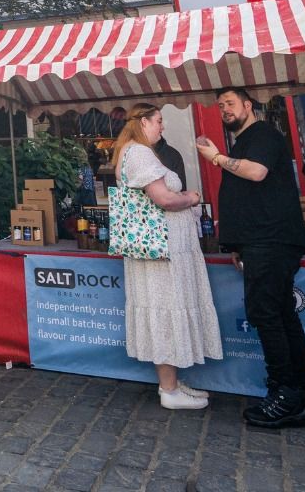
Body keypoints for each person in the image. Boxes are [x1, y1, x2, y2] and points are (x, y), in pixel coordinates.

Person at [197, 87, 305, 427]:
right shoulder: (246, 140)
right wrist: (238, 245)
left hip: (272, 242)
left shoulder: (262, 133)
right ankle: (301, 395)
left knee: (266, 314)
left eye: (230, 104)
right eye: (220, 106)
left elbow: (256, 172)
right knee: (280, 315)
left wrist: (216, 158)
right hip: (261, 242)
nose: (224, 110)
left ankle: (285, 394)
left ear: (249, 105)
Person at [115, 103, 221, 410]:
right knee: (166, 308)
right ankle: (169, 389)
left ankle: (171, 383)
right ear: (144, 122)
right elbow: (163, 198)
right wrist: (192, 197)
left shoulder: (131, 151)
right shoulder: (140, 152)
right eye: (159, 121)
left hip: (160, 249)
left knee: (165, 310)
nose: (162, 127)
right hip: (162, 251)